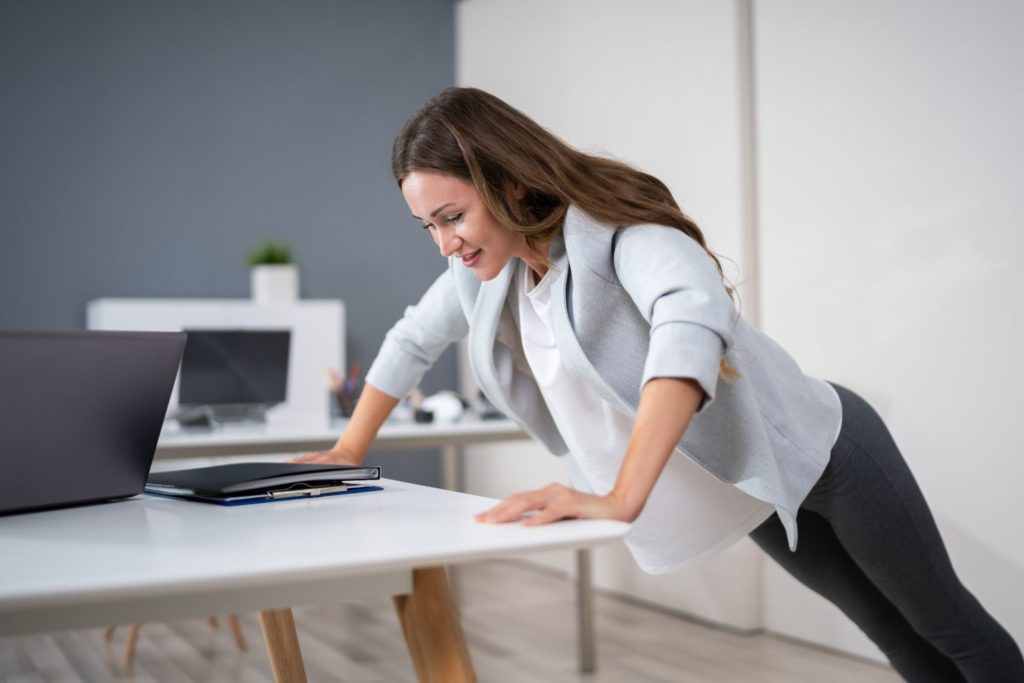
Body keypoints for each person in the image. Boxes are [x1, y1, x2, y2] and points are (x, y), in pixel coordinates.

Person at [293, 87, 1023, 682]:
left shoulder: (623, 236)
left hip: (830, 451)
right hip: (753, 481)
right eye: (427, 226)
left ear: (507, 181)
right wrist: (349, 447)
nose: (445, 243)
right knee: (893, 636)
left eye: (452, 216)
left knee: (949, 627)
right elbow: (412, 339)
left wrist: (620, 498)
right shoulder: (488, 273)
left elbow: (688, 329)